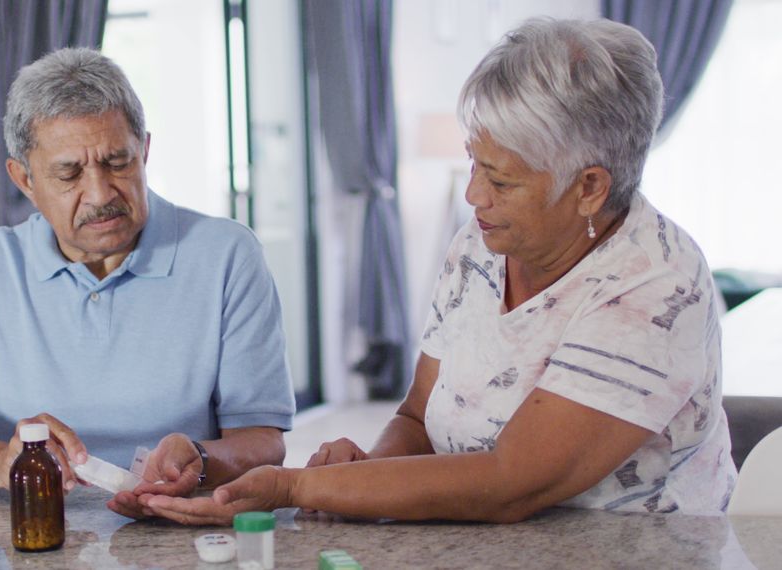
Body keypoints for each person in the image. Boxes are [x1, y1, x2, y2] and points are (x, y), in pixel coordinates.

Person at [141, 18, 737, 525]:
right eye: (474, 163)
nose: (474, 194)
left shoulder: (656, 286)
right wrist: (368, 473)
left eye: (501, 180)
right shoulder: (480, 247)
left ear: (589, 188)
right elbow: (417, 418)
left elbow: (511, 485)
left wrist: (296, 487)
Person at [0, 48, 295, 519]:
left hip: (175, 528)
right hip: (26, 531)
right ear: (24, 179)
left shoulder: (227, 255)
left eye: (118, 162)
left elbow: (262, 441)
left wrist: (203, 460)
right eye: (69, 173)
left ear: (145, 150)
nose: (100, 193)